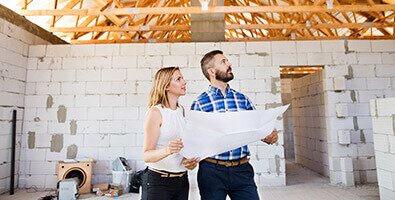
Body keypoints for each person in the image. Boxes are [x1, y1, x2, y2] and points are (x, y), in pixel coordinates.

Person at [191, 50, 278, 200]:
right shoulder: (200, 103)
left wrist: (270, 136)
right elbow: (194, 140)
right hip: (211, 172)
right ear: (212, 71)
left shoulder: (242, 99)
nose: (229, 64)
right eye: (223, 62)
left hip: (242, 170)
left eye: (227, 61)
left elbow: (260, 129)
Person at [142, 67, 199, 200]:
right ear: (166, 86)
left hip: (181, 181)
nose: (184, 82)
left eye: (182, 78)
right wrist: (168, 150)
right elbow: (146, 155)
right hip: (158, 182)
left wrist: (189, 162)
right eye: (179, 79)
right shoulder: (155, 112)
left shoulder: (182, 111)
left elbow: (182, 152)